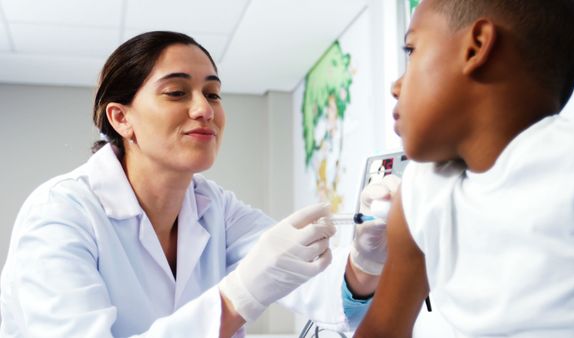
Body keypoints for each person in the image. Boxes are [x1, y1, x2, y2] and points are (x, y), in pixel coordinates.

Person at [0, 31, 392, 337]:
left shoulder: (212, 206)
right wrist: (237, 298)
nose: (204, 109)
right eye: (176, 92)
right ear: (121, 118)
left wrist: (365, 262)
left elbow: (320, 292)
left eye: (213, 93)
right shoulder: (60, 213)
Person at [354, 0, 574, 337]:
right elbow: (381, 331)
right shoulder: (422, 193)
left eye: (411, 50)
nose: (395, 86)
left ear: (476, 47)